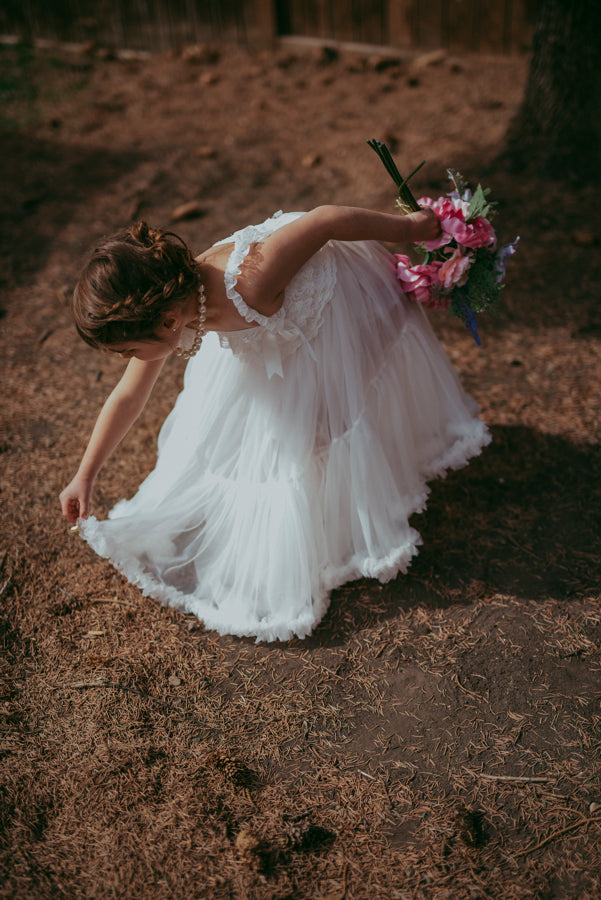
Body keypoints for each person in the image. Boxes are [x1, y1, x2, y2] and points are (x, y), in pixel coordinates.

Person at [60, 205, 490, 641]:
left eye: (128, 350)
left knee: (325, 426)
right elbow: (128, 396)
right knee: (266, 440)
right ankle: (313, 528)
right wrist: (85, 474)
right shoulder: (180, 308)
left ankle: (347, 517)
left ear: (167, 322)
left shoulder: (250, 279)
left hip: (338, 304)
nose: (127, 362)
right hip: (272, 336)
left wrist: (410, 228)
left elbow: (327, 221)